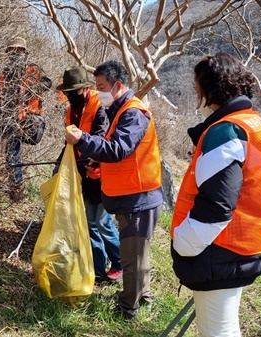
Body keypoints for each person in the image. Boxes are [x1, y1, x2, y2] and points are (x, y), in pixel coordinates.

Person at [170, 53, 261, 337]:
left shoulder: (226, 132)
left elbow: (216, 207)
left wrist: (184, 244)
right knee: (225, 324)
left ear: (208, 90)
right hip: (253, 242)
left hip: (220, 250)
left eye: (197, 88)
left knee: (217, 331)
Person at [65, 60, 164, 318]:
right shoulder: (118, 111)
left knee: (132, 260)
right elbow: (118, 151)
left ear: (117, 85)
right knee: (137, 255)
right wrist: (97, 158)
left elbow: (119, 149)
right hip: (130, 194)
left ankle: (127, 309)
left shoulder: (133, 112)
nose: (98, 93)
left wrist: (83, 140)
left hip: (139, 197)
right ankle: (144, 298)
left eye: (101, 87)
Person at [55, 66, 122, 283]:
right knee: (90, 222)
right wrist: (60, 165)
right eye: (68, 91)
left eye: (74, 91)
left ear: (85, 89)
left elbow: (101, 137)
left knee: (102, 222)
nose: (70, 95)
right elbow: (70, 141)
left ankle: (120, 263)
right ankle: (99, 267)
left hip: (102, 174)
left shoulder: (99, 105)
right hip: (83, 173)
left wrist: (92, 157)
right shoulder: (70, 110)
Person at [0, 36, 52, 201]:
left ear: (24, 52)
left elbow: (47, 83)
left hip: (20, 118)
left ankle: (17, 189)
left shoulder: (32, 69)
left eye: (18, 50)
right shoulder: (5, 71)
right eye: (11, 50)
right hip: (1, 116)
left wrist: (28, 92)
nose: (14, 53)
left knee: (11, 153)